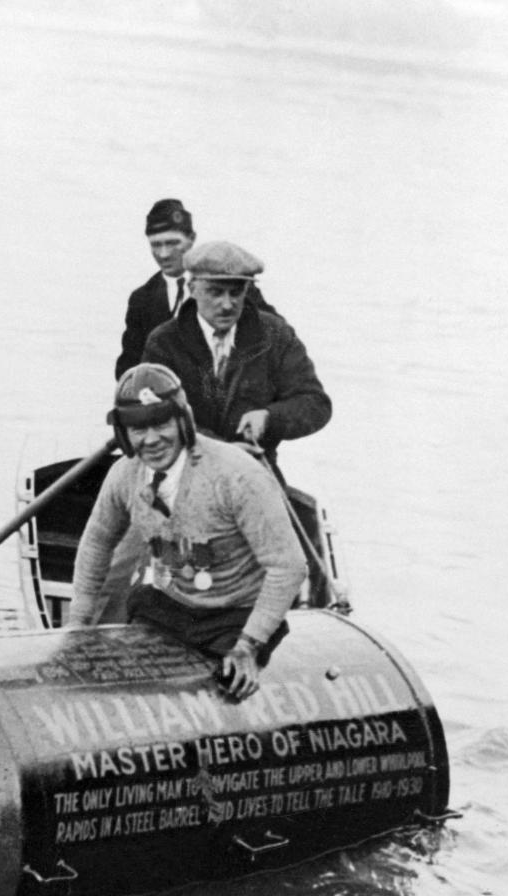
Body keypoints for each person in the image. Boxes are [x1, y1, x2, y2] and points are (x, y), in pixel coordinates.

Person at [69, 363, 307, 700]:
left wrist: (248, 645)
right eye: (138, 429)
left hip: (234, 616)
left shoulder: (236, 476)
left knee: (228, 690)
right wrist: (78, 623)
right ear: (124, 434)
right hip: (169, 606)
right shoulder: (124, 475)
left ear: (184, 421)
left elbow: (289, 566)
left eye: (161, 424)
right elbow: (97, 542)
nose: (151, 440)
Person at [141, 240, 330, 461]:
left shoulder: (275, 334)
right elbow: (153, 415)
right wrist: (222, 451)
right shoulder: (164, 342)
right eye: (215, 292)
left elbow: (315, 404)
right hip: (186, 465)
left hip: (255, 467)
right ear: (192, 289)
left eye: (236, 292)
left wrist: (270, 417)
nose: (227, 304)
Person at [115, 200, 277, 379]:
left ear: (192, 239)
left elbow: (276, 339)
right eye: (156, 245)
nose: (164, 254)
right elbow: (128, 367)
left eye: (172, 243)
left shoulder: (233, 286)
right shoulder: (141, 299)